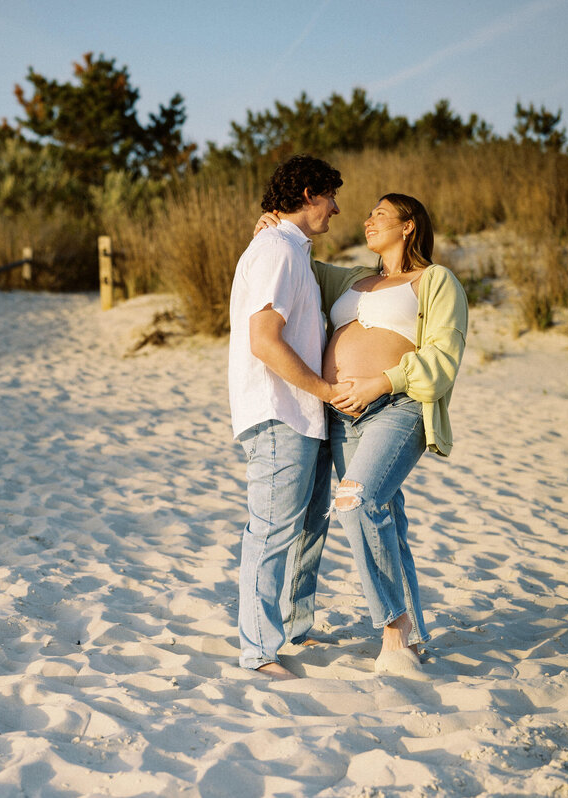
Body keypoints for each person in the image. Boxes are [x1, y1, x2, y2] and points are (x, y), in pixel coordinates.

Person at [255, 193, 467, 673]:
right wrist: (275, 225)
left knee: (357, 501)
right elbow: (293, 262)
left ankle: (394, 630)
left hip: (399, 406)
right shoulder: (350, 279)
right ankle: (404, 636)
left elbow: (442, 362)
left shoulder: (435, 282)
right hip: (337, 414)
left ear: (409, 225)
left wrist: (380, 382)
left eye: (380, 214)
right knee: (376, 515)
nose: (367, 220)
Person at [228, 155, 372, 681]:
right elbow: (263, 342)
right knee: (270, 531)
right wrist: (328, 391)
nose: (336, 208)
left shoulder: (292, 250)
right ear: (309, 193)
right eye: (331, 196)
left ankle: (294, 625)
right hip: (278, 413)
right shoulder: (276, 250)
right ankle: (259, 650)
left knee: (309, 525)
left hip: (304, 415)